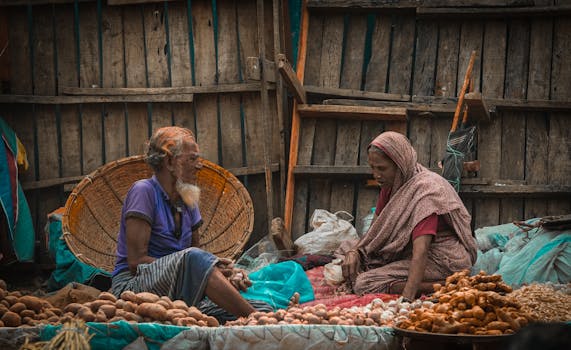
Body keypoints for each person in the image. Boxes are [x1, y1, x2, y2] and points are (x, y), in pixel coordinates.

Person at [111, 126, 270, 322]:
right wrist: (195, 265)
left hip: (178, 291)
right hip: (134, 286)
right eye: (192, 159)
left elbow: (197, 258)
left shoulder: (187, 196)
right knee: (197, 261)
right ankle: (255, 319)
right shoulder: (143, 191)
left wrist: (222, 271)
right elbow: (135, 263)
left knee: (265, 305)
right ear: (169, 162)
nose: (199, 165)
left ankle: (258, 314)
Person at [339, 131, 478, 300]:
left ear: (400, 164)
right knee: (348, 252)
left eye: (382, 168)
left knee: (365, 283)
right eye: (373, 168)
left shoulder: (426, 192)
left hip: (444, 259)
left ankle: (449, 284)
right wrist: (355, 251)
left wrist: (406, 300)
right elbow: (375, 233)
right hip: (409, 251)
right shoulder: (391, 185)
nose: (376, 175)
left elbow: (421, 251)